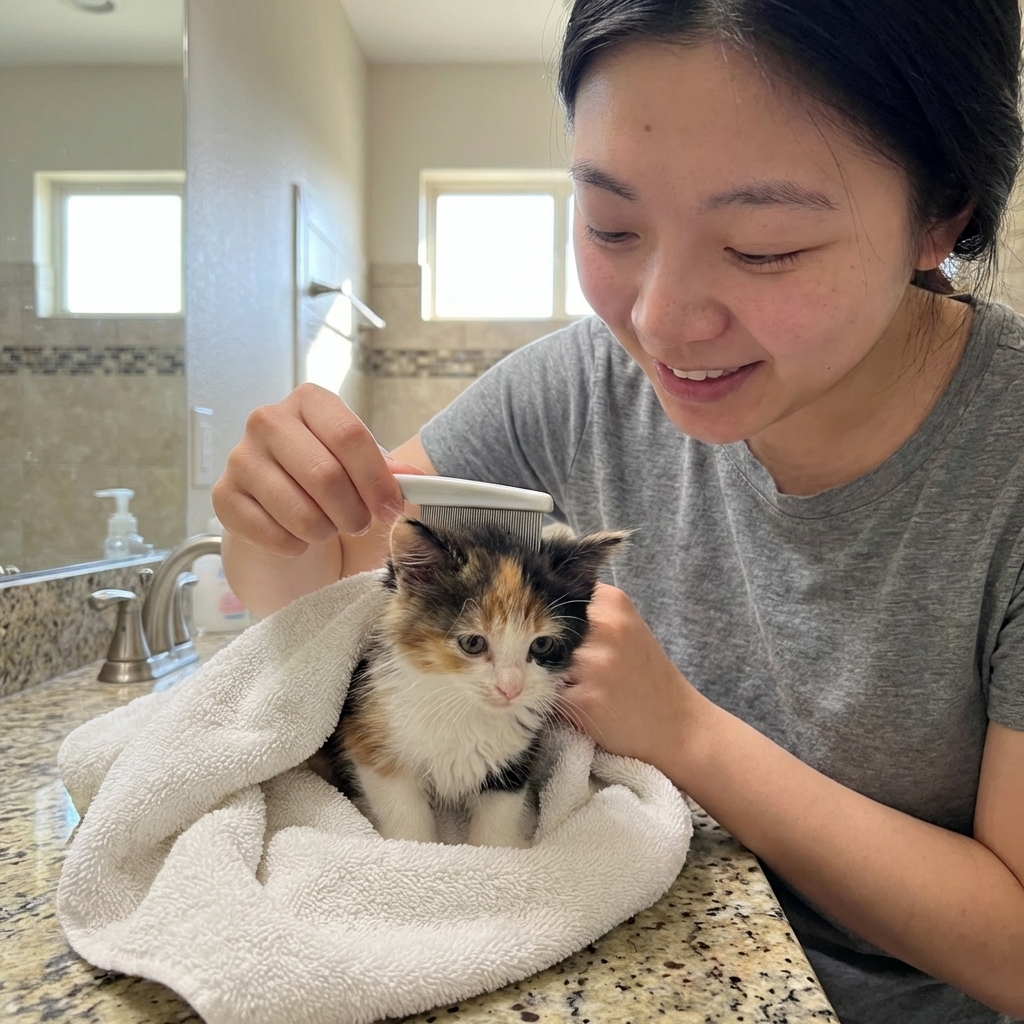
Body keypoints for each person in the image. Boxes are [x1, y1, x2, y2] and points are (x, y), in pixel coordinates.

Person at [212, 1, 1024, 1020]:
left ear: (942, 212)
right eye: (612, 226)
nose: (660, 321)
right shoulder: (577, 387)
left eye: (764, 247)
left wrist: (686, 732)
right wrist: (272, 518)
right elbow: (333, 603)